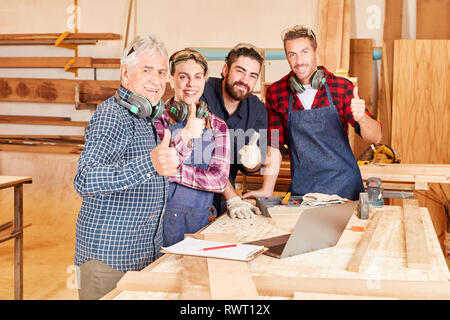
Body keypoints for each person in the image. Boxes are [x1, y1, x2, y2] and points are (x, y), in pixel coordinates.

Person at [73, 35, 179, 300]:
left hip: (141, 257)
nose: (157, 80)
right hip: (108, 261)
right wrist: (150, 163)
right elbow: (84, 179)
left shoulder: (146, 119)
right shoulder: (113, 115)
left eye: (161, 72)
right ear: (125, 73)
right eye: (147, 70)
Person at [243, 25, 382, 201]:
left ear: (316, 52)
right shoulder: (277, 93)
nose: (299, 61)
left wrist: (362, 118)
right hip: (304, 191)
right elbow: (274, 145)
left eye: (305, 52)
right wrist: (267, 189)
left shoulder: (341, 87)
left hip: (345, 188)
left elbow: (375, 137)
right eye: (292, 54)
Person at [154, 48, 230, 247]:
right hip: (156, 226)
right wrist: (185, 135)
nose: (191, 84)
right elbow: (153, 169)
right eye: (183, 76)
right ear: (171, 79)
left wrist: (171, 172)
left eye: (197, 77)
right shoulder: (155, 120)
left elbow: (220, 181)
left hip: (199, 225)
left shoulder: (218, 126)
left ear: (205, 80)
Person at [201, 43, 267, 219]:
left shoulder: (257, 110)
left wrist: (252, 160)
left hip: (225, 202)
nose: (245, 80)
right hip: (192, 195)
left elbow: (253, 167)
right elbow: (200, 155)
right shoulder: (201, 92)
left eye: (252, 75)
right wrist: (232, 197)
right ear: (225, 69)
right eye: (240, 71)